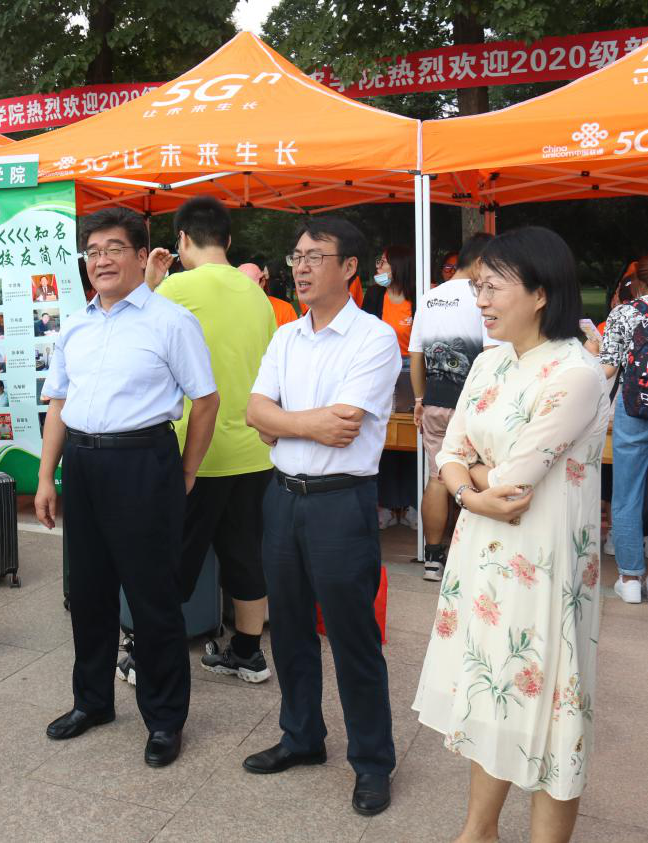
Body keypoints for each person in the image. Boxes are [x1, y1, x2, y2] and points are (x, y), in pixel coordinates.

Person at [415, 227, 607, 843]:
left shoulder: (576, 373)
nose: (481, 300)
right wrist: (473, 490)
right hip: (482, 555)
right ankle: (479, 831)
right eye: (479, 287)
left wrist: (470, 481)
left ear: (541, 293)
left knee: (552, 708)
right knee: (489, 691)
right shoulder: (488, 360)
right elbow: (451, 452)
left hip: (545, 566)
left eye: (493, 287)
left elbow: (513, 483)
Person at [35, 207, 219, 768]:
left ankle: (164, 719)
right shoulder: (76, 325)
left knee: (151, 598)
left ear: (142, 256)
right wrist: (46, 476)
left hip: (144, 463)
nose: (102, 261)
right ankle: (92, 701)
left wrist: (185, 471)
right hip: (83, 464)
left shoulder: (171, 321)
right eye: (92, 251)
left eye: (114, 248)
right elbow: (58, 403)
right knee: (88, 593)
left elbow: (205, 400)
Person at [244, 216, 399, 817]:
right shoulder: (287, 336)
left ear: (349, 267)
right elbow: (255, 411)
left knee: (352, 634)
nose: (301, 267)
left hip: (341, 502)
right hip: (282, 496)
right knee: (288, 628)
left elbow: (345, 426)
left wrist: (280, 423)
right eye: (297, 257)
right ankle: (302, 736)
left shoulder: (373, 339)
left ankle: (373, 761)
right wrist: (300, 423)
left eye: (315, 256)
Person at [144, 196, 277, 684]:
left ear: (181, 239)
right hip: (254, 449)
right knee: (245, 553)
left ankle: (147, 655)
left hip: (195, 451)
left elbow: (135, 332)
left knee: (171, 558)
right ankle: (248, 653)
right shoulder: (257, 295)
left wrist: (150, 282)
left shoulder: (175, 288)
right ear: (228, 239)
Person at [408, 233, 496, 582]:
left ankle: (432, 559)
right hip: (472, 405)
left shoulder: (430, 298)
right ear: (480, 262)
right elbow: (491, 354)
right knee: (471, 477)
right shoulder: (483, 297)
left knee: (438, 477)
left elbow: (416, 355)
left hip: (434, 401)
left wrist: (419, 399)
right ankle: (465, 556)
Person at [596, 245, 648, 603]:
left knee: (627, 491)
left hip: (634, 408)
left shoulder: (623, 314)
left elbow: (608, 368)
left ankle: (630, 578)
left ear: (636, 282)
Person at [364, 244, 418, 531]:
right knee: (383, 438)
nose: (379, 267)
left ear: (399, 265)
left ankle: (410, 504)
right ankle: (383, 504)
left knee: (411, 439)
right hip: (381, 370)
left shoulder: (418, 297)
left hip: (412, 373)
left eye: (384, 262)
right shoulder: (374, 295)